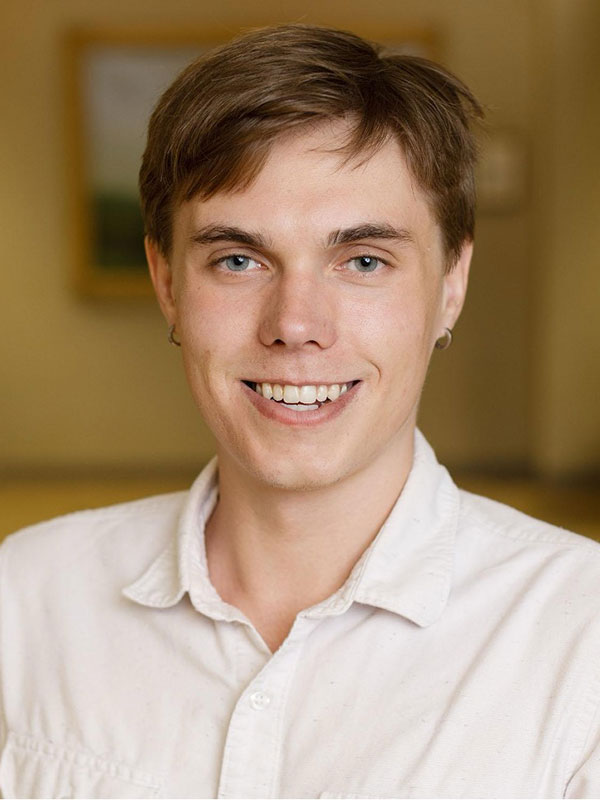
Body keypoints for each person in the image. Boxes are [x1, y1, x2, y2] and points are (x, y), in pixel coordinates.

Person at [1, 23, 599, 799]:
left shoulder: (580, 638)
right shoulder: (26, 598)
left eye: (362, 261)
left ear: (451, 284)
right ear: (167, 281)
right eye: (239, 259)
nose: (295, 323)